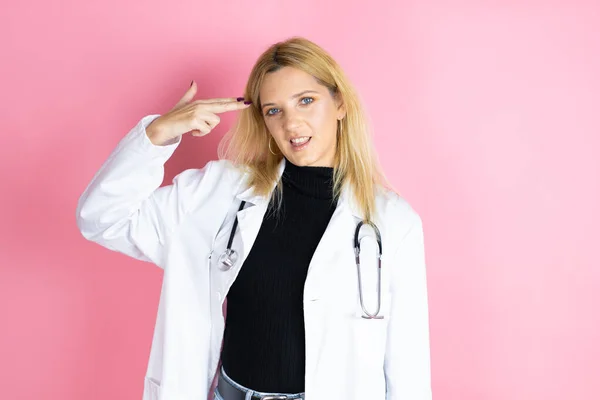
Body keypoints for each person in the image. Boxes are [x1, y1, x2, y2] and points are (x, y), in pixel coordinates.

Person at [76, 36, 432, 400]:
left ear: (339, 103)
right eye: (273, 110)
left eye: (306, 101)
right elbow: (102, 217)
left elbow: (409, 370)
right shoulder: (218, 193)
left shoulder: (393, 223)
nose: (292, 123)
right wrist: (157, 134)